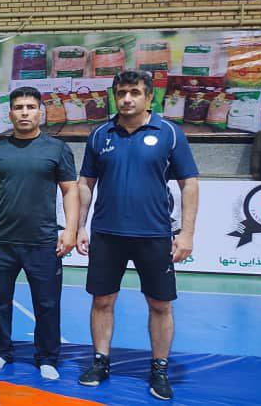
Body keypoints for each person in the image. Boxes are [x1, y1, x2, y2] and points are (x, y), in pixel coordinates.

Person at [76, 70, 199, 401]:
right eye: (121, 93)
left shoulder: (169, 133)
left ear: (148, 97)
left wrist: (186, 233)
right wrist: (79, 226)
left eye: (134, 92)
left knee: (160, 304)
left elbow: (189, 184)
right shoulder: (99, 134)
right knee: (102, 300)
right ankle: (100, 362)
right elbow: (86, 183)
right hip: (107, 233)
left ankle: (159, 368)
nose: (127, 99)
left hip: (154, 234)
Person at [0, 86, 79, 380]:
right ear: (10, 114)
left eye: (30, 107)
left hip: (43, 241)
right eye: (18, 107)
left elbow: (70, 191)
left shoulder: (57, 149)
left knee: (47, 303)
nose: (24, 113)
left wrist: (70, 229)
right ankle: (0, 351)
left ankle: (47, 357)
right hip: (1, 241)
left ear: (40, 112)